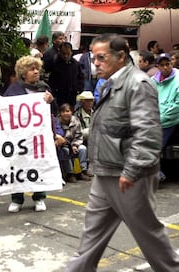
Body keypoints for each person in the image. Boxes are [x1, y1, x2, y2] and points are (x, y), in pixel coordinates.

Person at [66, 33, 179, 272]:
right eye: (93, 57)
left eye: (101, 57)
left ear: (121, 57)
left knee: (148, 233)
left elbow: (147, 132)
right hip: (105, 170)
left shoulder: (138, 83)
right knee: (91, 235)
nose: (95, 63)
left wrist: (133, 169)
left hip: (127, 175)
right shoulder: (110, 82)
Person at [3, 55, 56, 213]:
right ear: (22, 73)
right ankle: (17, 199)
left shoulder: (44, 88)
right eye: (31, 69)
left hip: (38, 136)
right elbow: (5, 113)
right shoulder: (13, 90)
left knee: (38, 164)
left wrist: (51, 100)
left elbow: (54, 111)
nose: (35, 72)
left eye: (37, 69)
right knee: (18, 165)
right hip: (19, 137)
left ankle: (39, 197)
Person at [152, 53, 179, 149]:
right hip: (153, 121)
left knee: (153, 149)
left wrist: (159, 119)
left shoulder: (178, 80)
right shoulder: (152, 81)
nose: (165, 67)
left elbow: (176, 108)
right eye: (162, 65)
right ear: (157, 66)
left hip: (169, 122)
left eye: (167, 64)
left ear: (171, 63)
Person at [58, 103, 91, 183]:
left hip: (75, 143)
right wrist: (70, 146)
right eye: (63, 111)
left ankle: (82, 171)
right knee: (66, 151)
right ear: (60, 113)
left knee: (83, 149)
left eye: (67, 111)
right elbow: (60, 137)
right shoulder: (58, 122)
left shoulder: (75, 120)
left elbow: (79, 135)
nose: (65, 113)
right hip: (64, 145)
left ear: (71, 112)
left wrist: (75, 145)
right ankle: (70, 174)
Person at [48, 42, 84, 108]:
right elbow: (50, 79)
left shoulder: (75, 63)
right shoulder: (54, 63)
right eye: (63, 54)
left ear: (71, 52)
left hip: (72, 96)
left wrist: (79, 89)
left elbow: (80, 77)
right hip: (59, 96)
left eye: (68, 54)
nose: (65, 56)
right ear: (60, 52)